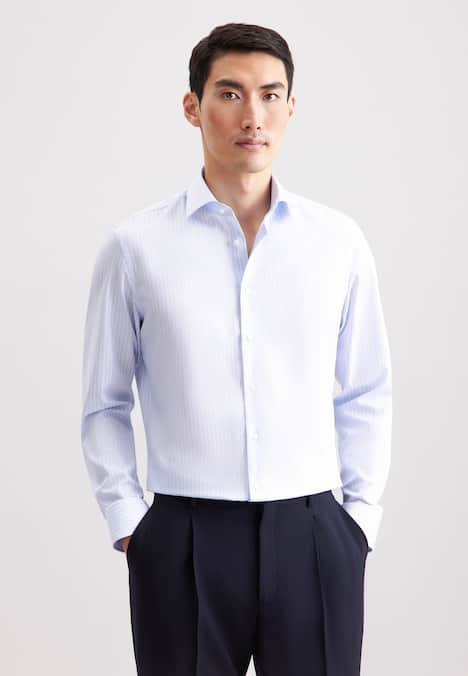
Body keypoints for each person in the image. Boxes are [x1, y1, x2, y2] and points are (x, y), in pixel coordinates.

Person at [80, 21, 392, 676]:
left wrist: (357, 522)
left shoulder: (337, 243)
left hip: (313, 534)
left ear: (291, 107)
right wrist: (131, 523)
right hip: (183, 538)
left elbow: (366, 389)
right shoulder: (137, 247)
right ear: (192, 107)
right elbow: (104, 403)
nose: (253, 116)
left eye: (270, 95)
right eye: (230, 93)